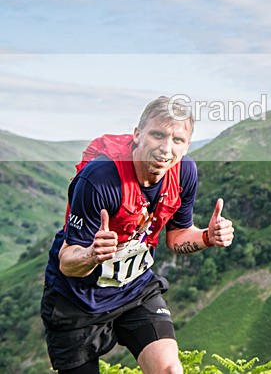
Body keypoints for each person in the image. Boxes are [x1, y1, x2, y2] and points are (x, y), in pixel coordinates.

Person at [41, 96, 234, 374]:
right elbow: (67, 261)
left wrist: (206, 237)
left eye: (177, 140)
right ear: (137, 134)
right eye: (158, 135)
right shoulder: (100, 179)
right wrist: (91, 254)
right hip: (77, 300)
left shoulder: (184, 173)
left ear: (187, 145)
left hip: (135, 289)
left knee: (170, 370)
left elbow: (177, 235)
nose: (166, 149)